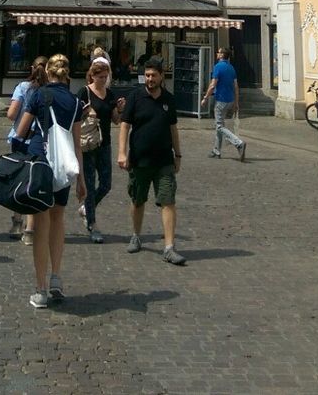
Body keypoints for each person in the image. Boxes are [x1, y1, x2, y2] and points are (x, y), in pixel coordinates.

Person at [15, 53, 86, 308]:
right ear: (67, 73)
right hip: (64, 165)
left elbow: (20, 131)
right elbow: (77, 144)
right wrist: (81, 179)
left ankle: (40, 289)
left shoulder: (38, 95)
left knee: (41, 223)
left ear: (47, 71)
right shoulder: (75, 101)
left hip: (40, 160)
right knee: (58, 218)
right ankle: (56, 277)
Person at [118, 56, 186, 266]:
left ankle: (169, 247)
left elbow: (173, 128)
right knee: (138, 200)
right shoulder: (135, 97)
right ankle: (136, 235)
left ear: (161, 77)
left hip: (164, 160)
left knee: (168, 201)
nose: (149, 79)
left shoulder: (169, 99)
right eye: (146, 75)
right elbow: (124, 125)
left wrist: (178, 154)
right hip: (139, 159)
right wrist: (122, 152)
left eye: (153, 75)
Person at [78, 56, 124, 243]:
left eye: (106, 77)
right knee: (89, 185)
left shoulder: (110, 94)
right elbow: (75, 119)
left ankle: (87, 209)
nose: (103, 80)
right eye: (100, 77)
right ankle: (92, 224)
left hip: (104, 144)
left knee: (106, 184)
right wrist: (86, 112)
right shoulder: (84, 93)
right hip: (88, 144)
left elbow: (115, 120)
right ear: (92, 76)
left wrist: (119, 109)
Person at [7, 56, 48, 243]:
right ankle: (30, 231)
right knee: (33, 182)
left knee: (17, 180)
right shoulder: (48, 91)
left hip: (20, 139)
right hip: (39, 140)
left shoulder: (22, 87)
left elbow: (11, 114)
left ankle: (17, 221)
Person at [201, 46, 247, 161]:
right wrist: (236, 103)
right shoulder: (231, 68)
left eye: (218, 52)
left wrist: (205, 97)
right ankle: (216, 151)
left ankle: (238, 143)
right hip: (230, 100)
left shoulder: (218, 67)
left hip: (221, 100)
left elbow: (213, 85)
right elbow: (236, 86)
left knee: (219, 126)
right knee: (219, 125)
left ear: (222, 55)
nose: (217, 53)